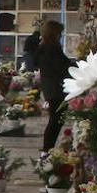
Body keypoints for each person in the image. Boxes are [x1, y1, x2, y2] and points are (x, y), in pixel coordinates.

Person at [35, 19, 75, 151]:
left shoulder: (46, 47)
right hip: (55, 89)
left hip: (52, 88)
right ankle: (47, 149)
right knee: (55, 120)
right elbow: (61, 66)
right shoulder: (50, 48)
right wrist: (77, 67)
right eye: (59, 33)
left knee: (56, 120)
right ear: (53, 34)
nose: (61, 36)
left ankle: (48, 148)